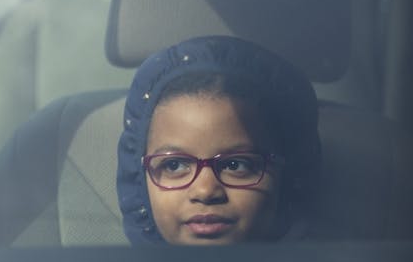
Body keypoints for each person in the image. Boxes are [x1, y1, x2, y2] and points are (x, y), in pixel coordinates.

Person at [117, 35, 322, 245]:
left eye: (236, 165)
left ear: (288, 176)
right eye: (174, 165)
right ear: (139, 181)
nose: (205, 191)